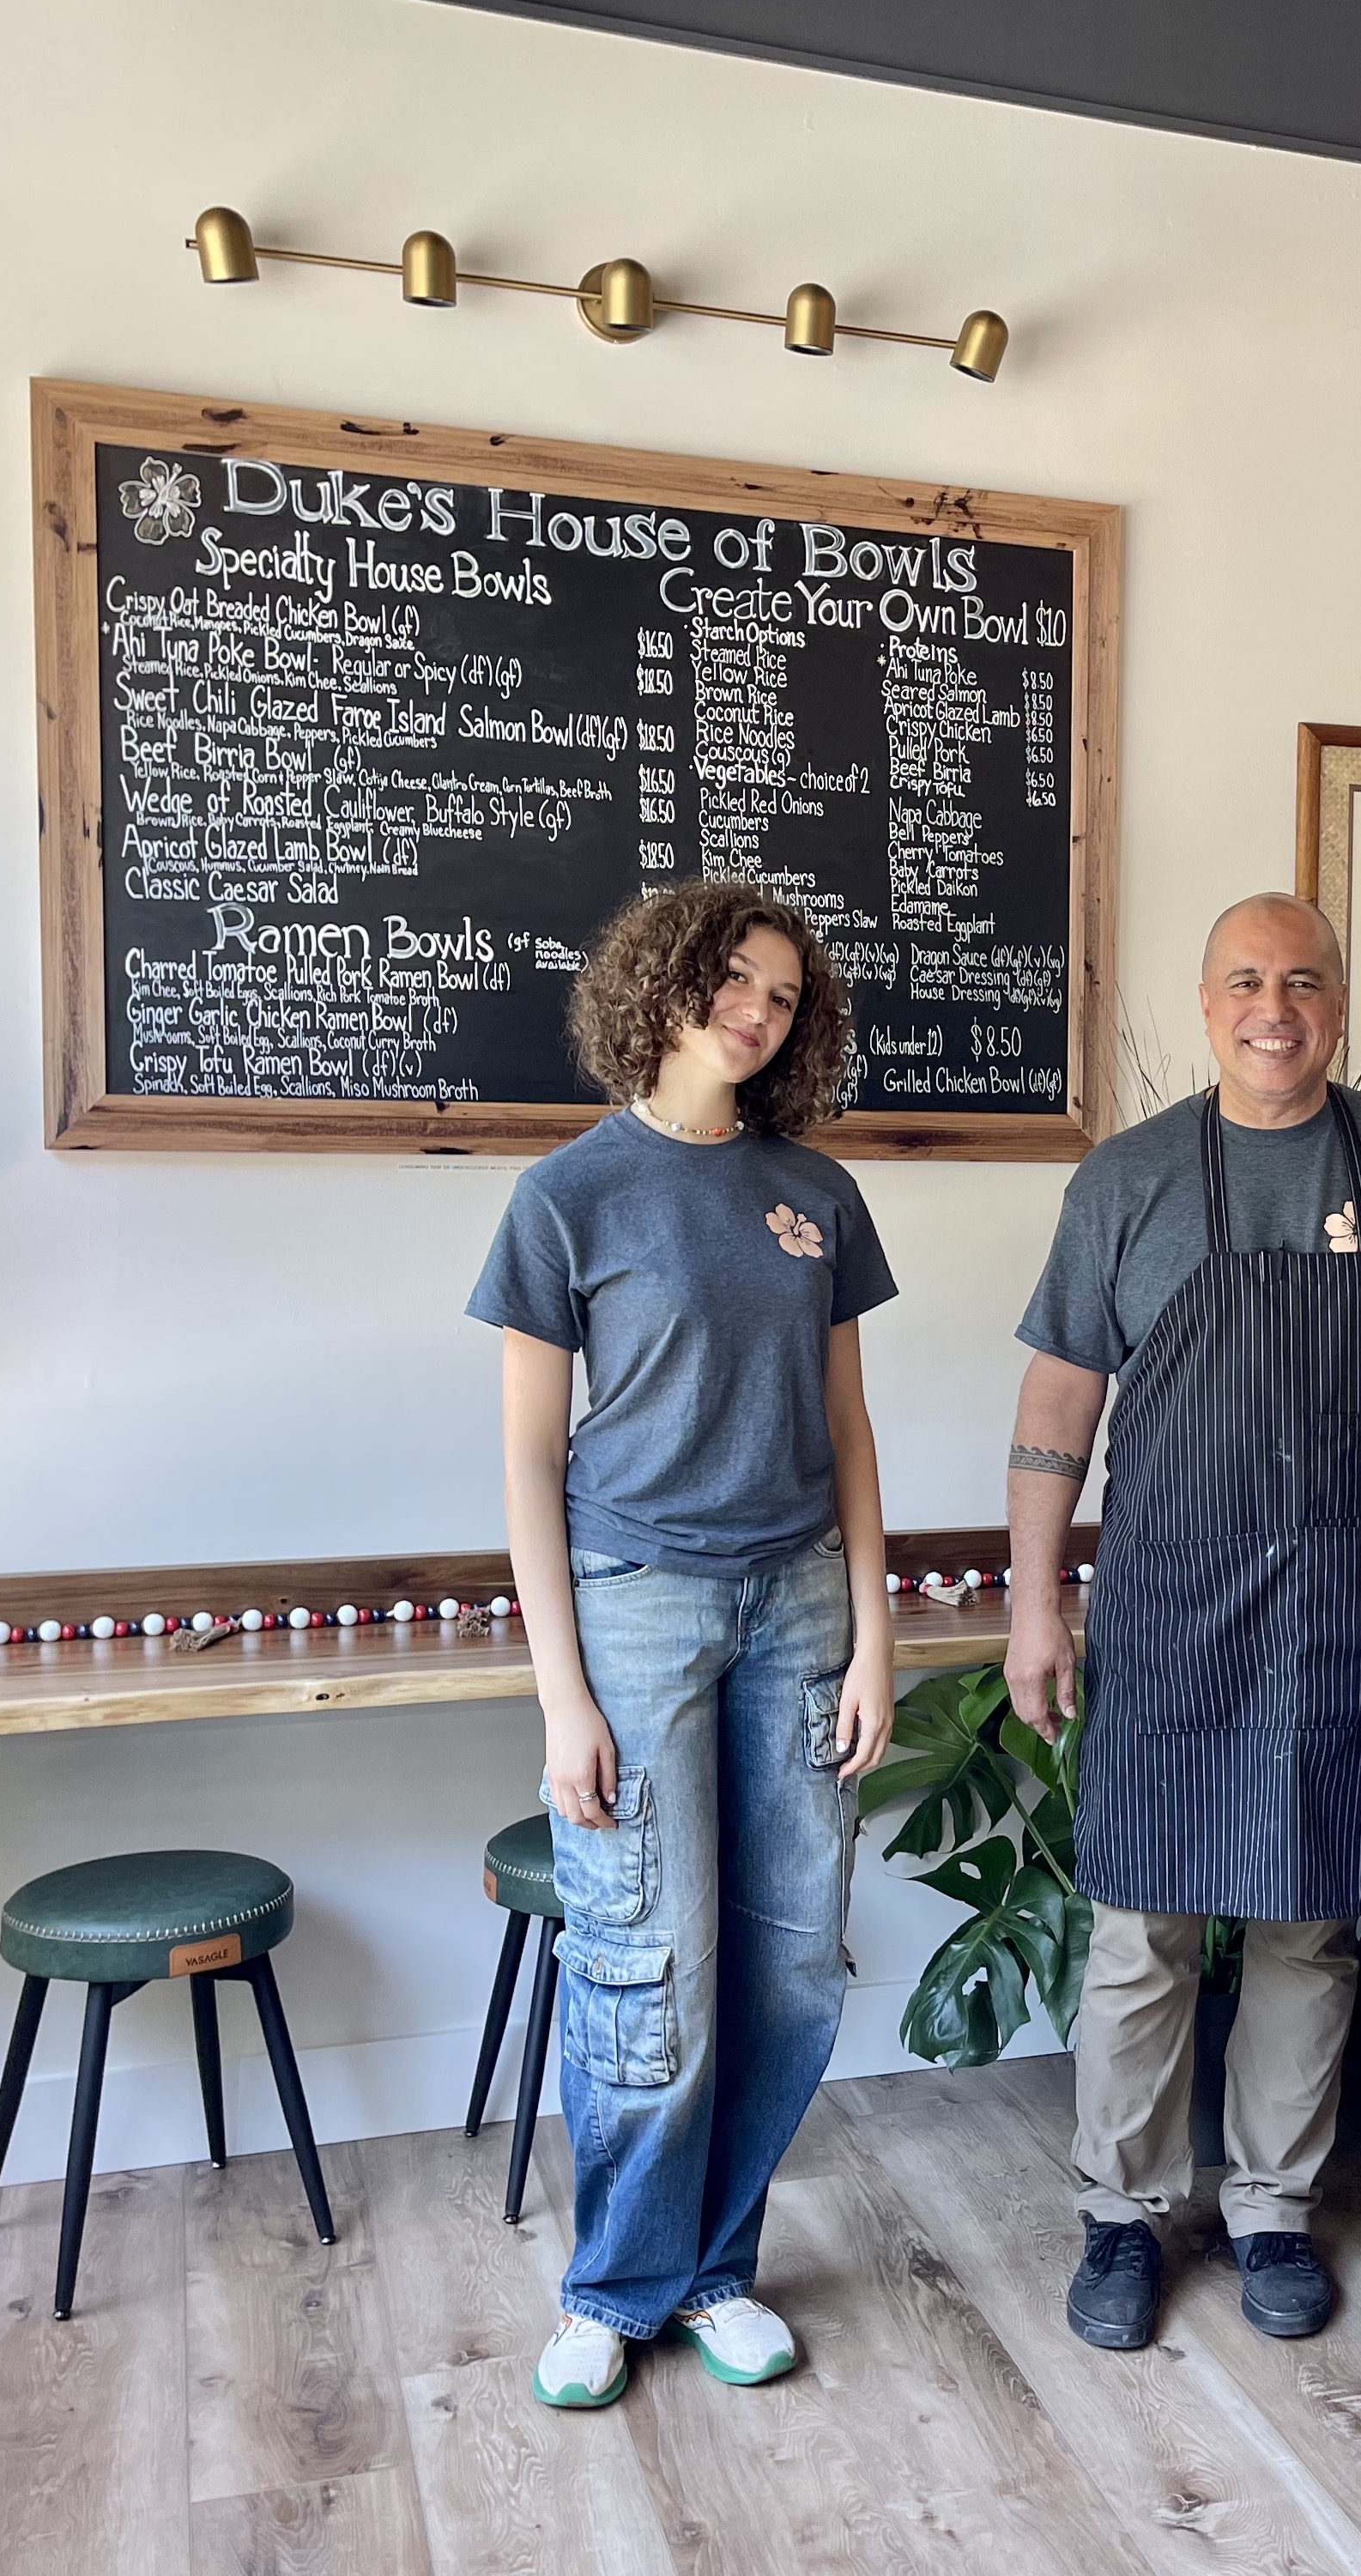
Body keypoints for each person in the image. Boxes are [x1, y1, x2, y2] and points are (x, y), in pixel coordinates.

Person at [1003, 892, 1361, 2349]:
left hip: (1349, 1611)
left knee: (1308, 1929)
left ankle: (1275, 2208)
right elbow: (1060, 1402)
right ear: (1206, 1005)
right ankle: (1123, 2217)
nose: (1277, 1008)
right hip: (1167, 1606)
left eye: (1306, 982)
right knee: (1143, 1928)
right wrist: (1036, 1601)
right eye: (1247, 983)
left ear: (1339, 1002)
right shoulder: (1125, 1180)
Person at [471, 877, 899, 2413]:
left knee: (790, 1966)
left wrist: (873, 1638)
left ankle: (719, 2267)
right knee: (648, 1960)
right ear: (659, 984)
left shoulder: (819, 1196)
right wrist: (560, 1696)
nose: (756, 1011)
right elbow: (531, 1461)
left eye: (784, 995)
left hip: (798, 1608)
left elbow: (848, 1428)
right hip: (635, 1610)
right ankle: (613, 2288)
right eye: (734, 980)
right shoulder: (568, 1198)